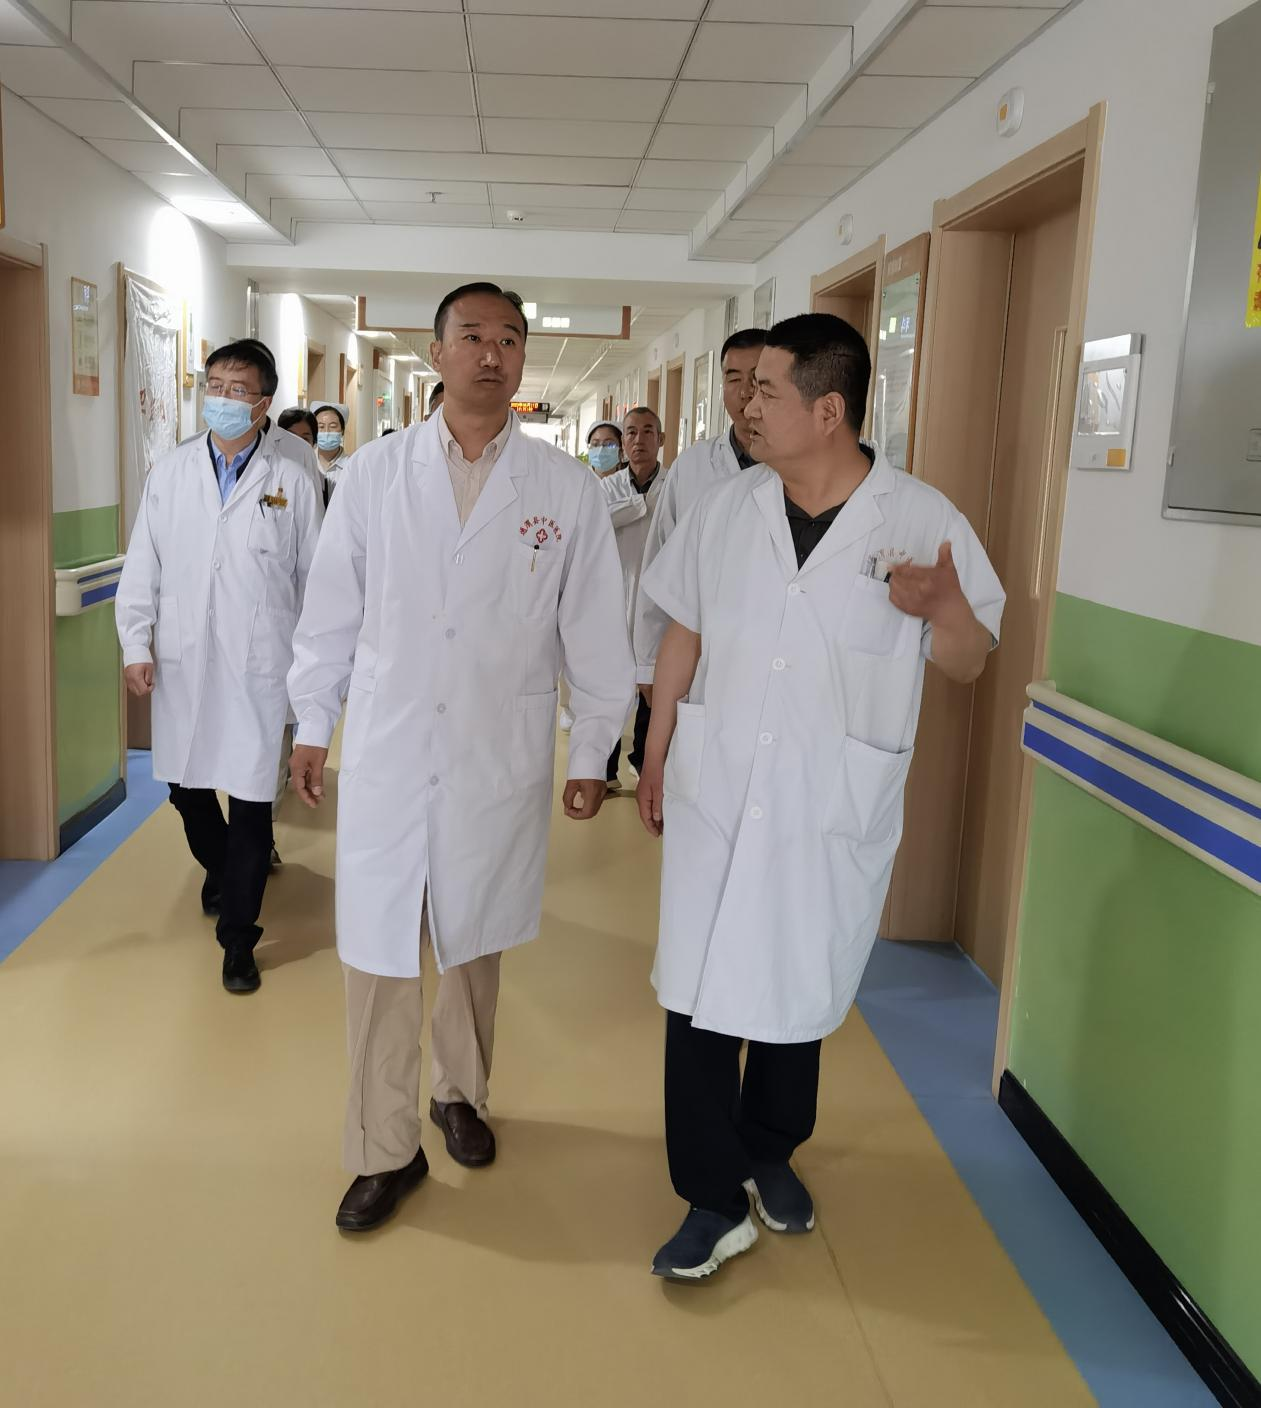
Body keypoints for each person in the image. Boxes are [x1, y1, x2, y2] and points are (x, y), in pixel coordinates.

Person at [635, 314, 1005, 1283]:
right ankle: (711, 1198)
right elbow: (684, 629)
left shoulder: (921, 519)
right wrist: (657, 743)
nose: (744, 406)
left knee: (798, 976)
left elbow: (969, 660)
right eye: (744, 387)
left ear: (828, 410)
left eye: (764, 390)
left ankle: (769, 1150)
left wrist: (946, 612)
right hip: (719, 781)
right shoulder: (727, 508)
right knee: (699, 990)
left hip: (827, 795)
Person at [287, 282, 634, 1233]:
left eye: (509, 338)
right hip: (393, 749)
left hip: (495, 751)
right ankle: (382, 1147)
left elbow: (592, 629)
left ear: (522, 360)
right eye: (471, 335)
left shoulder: (563, 489)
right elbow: (330, 614)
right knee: (380, 953)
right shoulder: (373, 475)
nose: (491, 352)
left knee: (472, 941)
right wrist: (312, 721)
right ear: (436, 354)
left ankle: (459, 1094)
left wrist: (592, 749)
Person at [115, 339, 323, 994]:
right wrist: (136, 643)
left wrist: (314, 677)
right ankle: (229, 866)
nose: (224, 400)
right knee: (185, 787)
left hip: (261, 664)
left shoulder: (293, 477)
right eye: (215, 386)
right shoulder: (171, 472)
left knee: (254, 797)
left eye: (239, 390)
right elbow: (142, 564)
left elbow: (315, 582)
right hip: (185, 660)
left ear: (264, 402)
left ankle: (238, 939)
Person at [632, 329, 766, 703]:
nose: (745, 392)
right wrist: (648, 663)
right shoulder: (692, 466)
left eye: (757, 378)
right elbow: (659, 561)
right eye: (733, 378)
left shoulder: (797, 466)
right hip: (695, 653)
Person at [597, 411, 663, 790]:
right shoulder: (607, 487)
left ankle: (641, 761)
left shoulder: (673, 484)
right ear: (624, 443)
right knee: (612, 686)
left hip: (658, 598)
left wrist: (646, 505)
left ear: (661, 439)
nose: (639, 440)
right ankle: (606, 770)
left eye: (648, 432)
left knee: (651, 684)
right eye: (632, 433)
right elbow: (599, 523)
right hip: (616, 596)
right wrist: (640, 506)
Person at [312, 402, 352, 502]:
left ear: (342, 431)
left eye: (333, 426)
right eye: (321, 427)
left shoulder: (351, 465)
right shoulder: (306, 462)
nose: (327, 432)